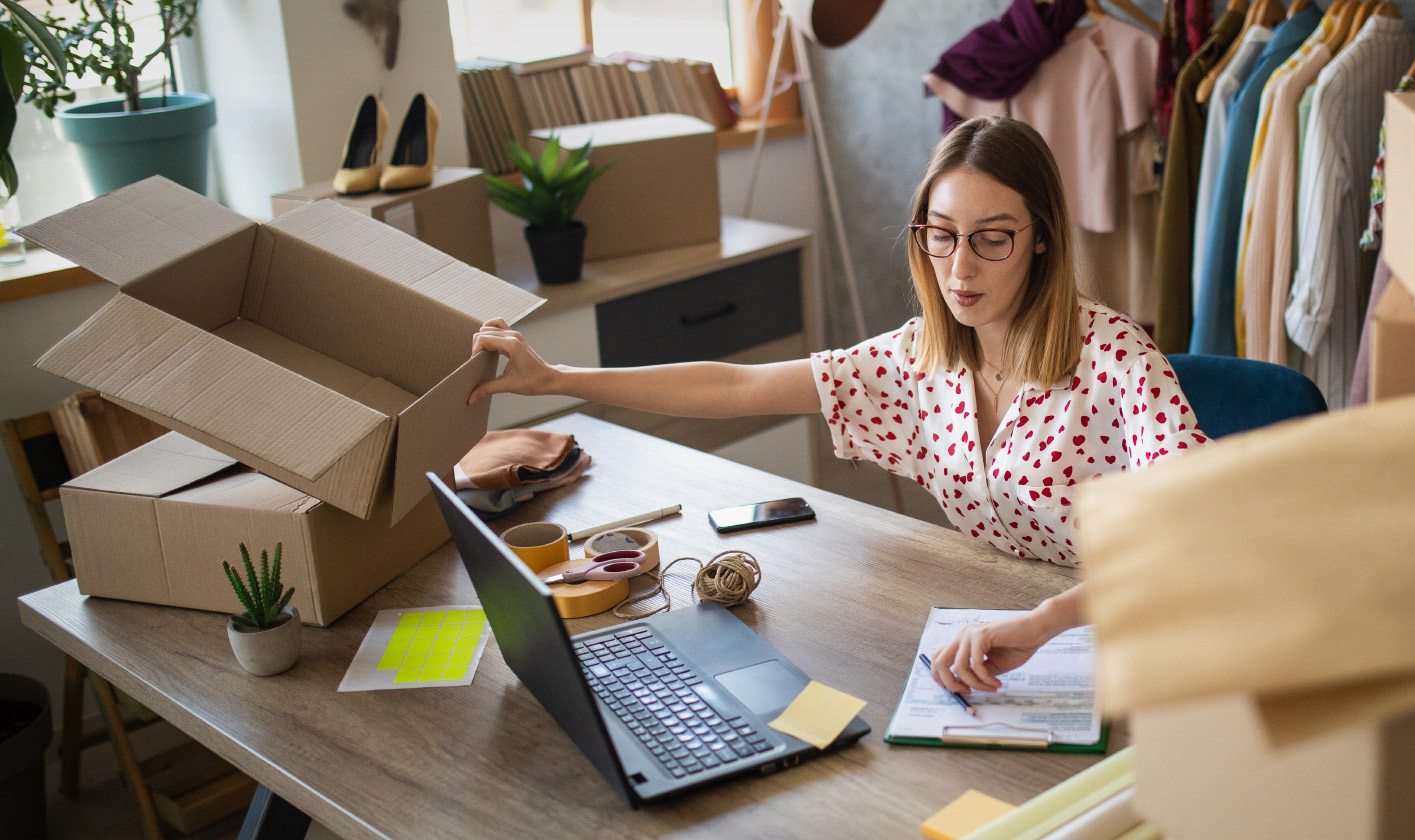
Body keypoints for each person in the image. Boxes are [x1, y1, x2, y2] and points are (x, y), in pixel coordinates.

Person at [469, 115, 1209, 696]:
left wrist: (1046, 621)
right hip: (998, 624)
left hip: (1123, 626)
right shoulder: (925, 355)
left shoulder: (1114, 357)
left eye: (993, 239)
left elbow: (1198, 526)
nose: (960, 268)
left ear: (1042, 239)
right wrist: (558, 378)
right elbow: (737, 387)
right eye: (942, 236)